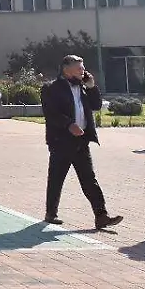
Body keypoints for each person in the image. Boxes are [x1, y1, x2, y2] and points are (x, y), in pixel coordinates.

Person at [41, 55, 123, 230]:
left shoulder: (84, 87)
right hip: (61, 141)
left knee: (89, 179)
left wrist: (92, 87)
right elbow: (51, 113)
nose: (83, 71)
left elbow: (96, 105)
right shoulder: (51, 88)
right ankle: (51, 213)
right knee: (56, 178)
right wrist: (69, 125)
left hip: (81, 141)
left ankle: (101, 216)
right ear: (66, 69)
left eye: (83, 67)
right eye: (79, 68)